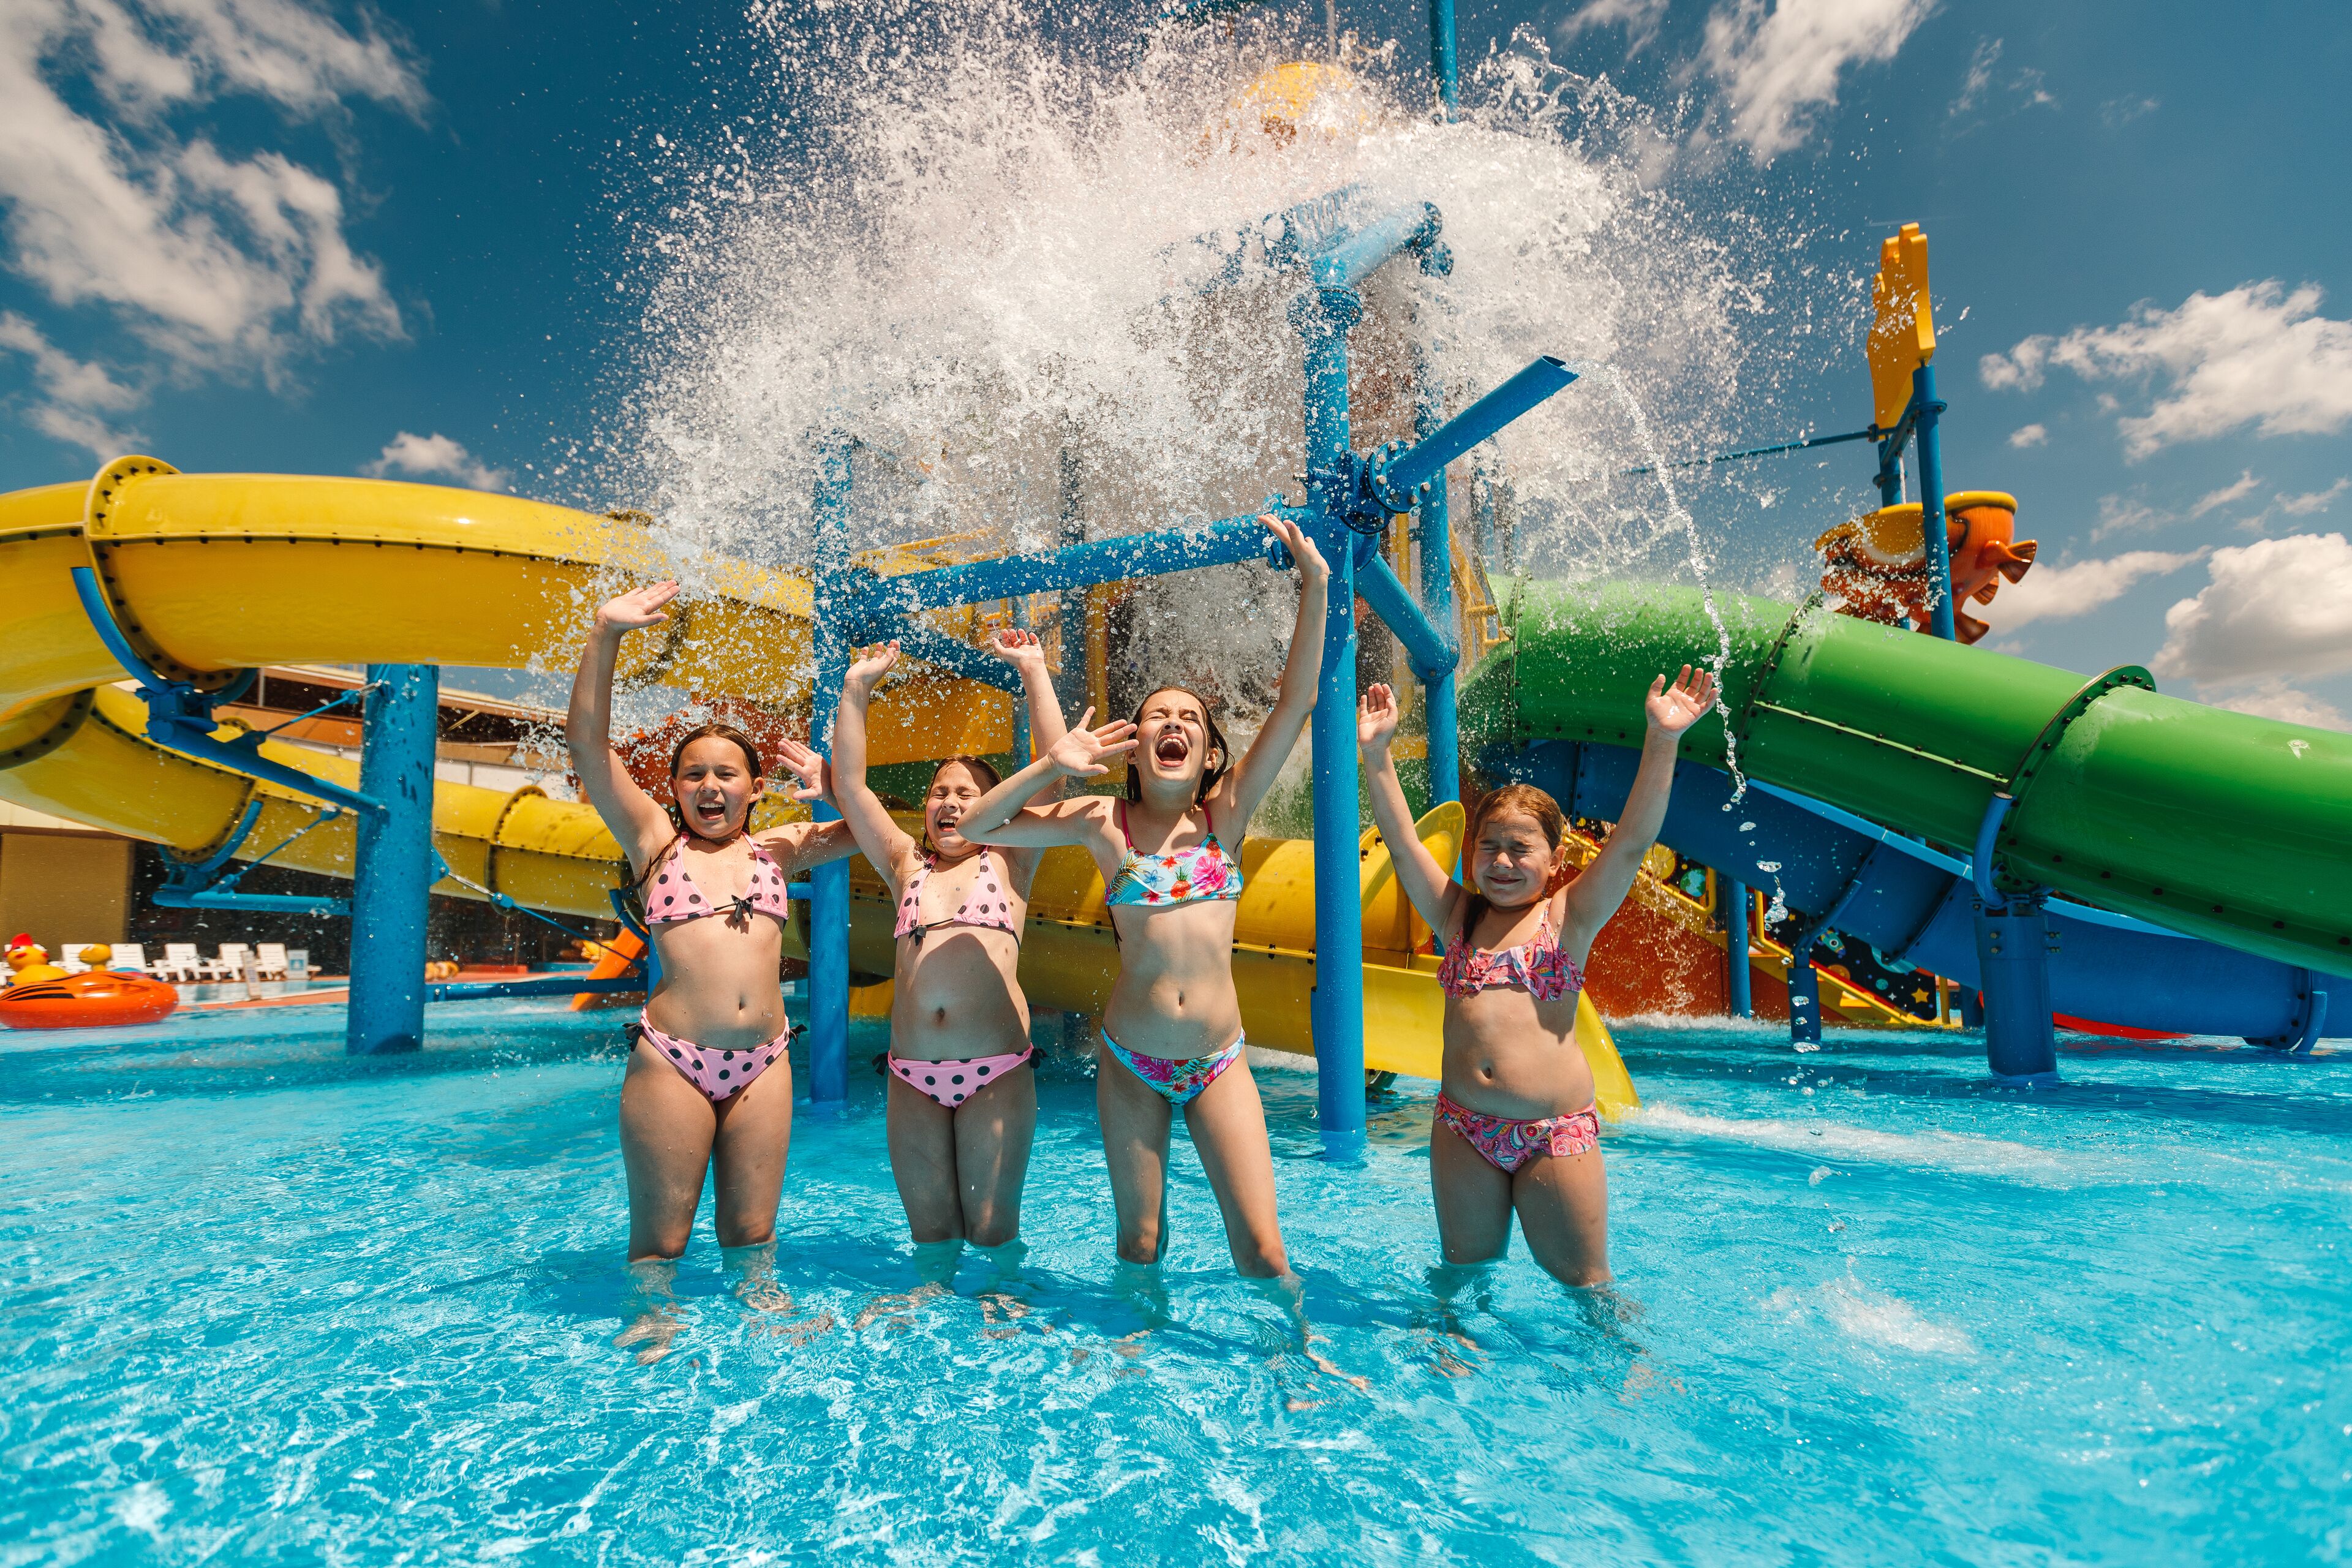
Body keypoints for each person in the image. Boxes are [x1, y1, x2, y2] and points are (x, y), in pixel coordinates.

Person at [956, 515, 1327, 1278]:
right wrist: (1051, 762)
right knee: (1140, 1243)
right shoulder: (1104, 822)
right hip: (1130, 1062)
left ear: (1208, 753)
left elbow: (1295, 702)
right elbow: (979, 822)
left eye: (1191, 718)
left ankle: (1294, 1373)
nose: (1175, 722)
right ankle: (1137, 1374)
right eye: (1161, 713)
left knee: (1261, 1249)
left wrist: (1316, 585)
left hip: (1219, 1061)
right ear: (1136, 744)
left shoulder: (1226, 817)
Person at [1356, 665, 1719, 1286]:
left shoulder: (1568, 917)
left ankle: (1621, 1365)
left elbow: (1631, 842)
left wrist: (1663, 740)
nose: (1501, 861)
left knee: (1585, 1285)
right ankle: (1455, 1363)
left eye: (1520, 848)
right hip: (1464, 1129)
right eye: (1488, 845)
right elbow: (1400, 837)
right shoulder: (1457, 916)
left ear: (1554, 863)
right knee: (1463, 1276)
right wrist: (1376, 755)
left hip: (1553, 1134)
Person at [566, 579, 859, 1265]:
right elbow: (587, 749)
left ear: (757, 788)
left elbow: (878, 833)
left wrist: (835, 781)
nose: (708, 786)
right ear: (671, 789)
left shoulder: (781, 848)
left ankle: (760, 1326)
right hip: (674, 1058)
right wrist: (605, 634)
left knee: (753, 1237)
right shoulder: (655, 844)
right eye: (692, 774)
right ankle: (651, 1332)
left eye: (726, 774)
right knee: (661, 1244)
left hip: (765, 1061)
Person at [831, 626, 1068, 1250]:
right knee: (931, 1237)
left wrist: (1034, 670)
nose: (950, 802)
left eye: (968, 793)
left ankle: (1001, 1331)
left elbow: (1054, 777)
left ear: (994, 808)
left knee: (991, 1234)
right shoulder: (906, 866)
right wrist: (855, 691)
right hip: (911, 1076)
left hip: (996, 1071)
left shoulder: (1011, 860)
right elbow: (852, 789)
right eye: (940, 791)